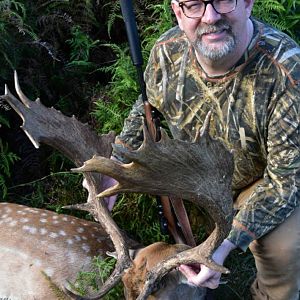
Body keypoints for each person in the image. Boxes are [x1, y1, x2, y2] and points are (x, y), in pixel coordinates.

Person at [109, 0, 300, 299]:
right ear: (177, 11)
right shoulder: (166, 51)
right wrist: (116, 169)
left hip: (262, 183)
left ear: (248, 3)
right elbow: (148, 110)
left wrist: (223, 247)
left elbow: (287, 182)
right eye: (194, 4)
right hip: (197, 180)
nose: (210, 17)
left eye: (224, 1)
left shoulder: (287, 71)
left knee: (282, 250)